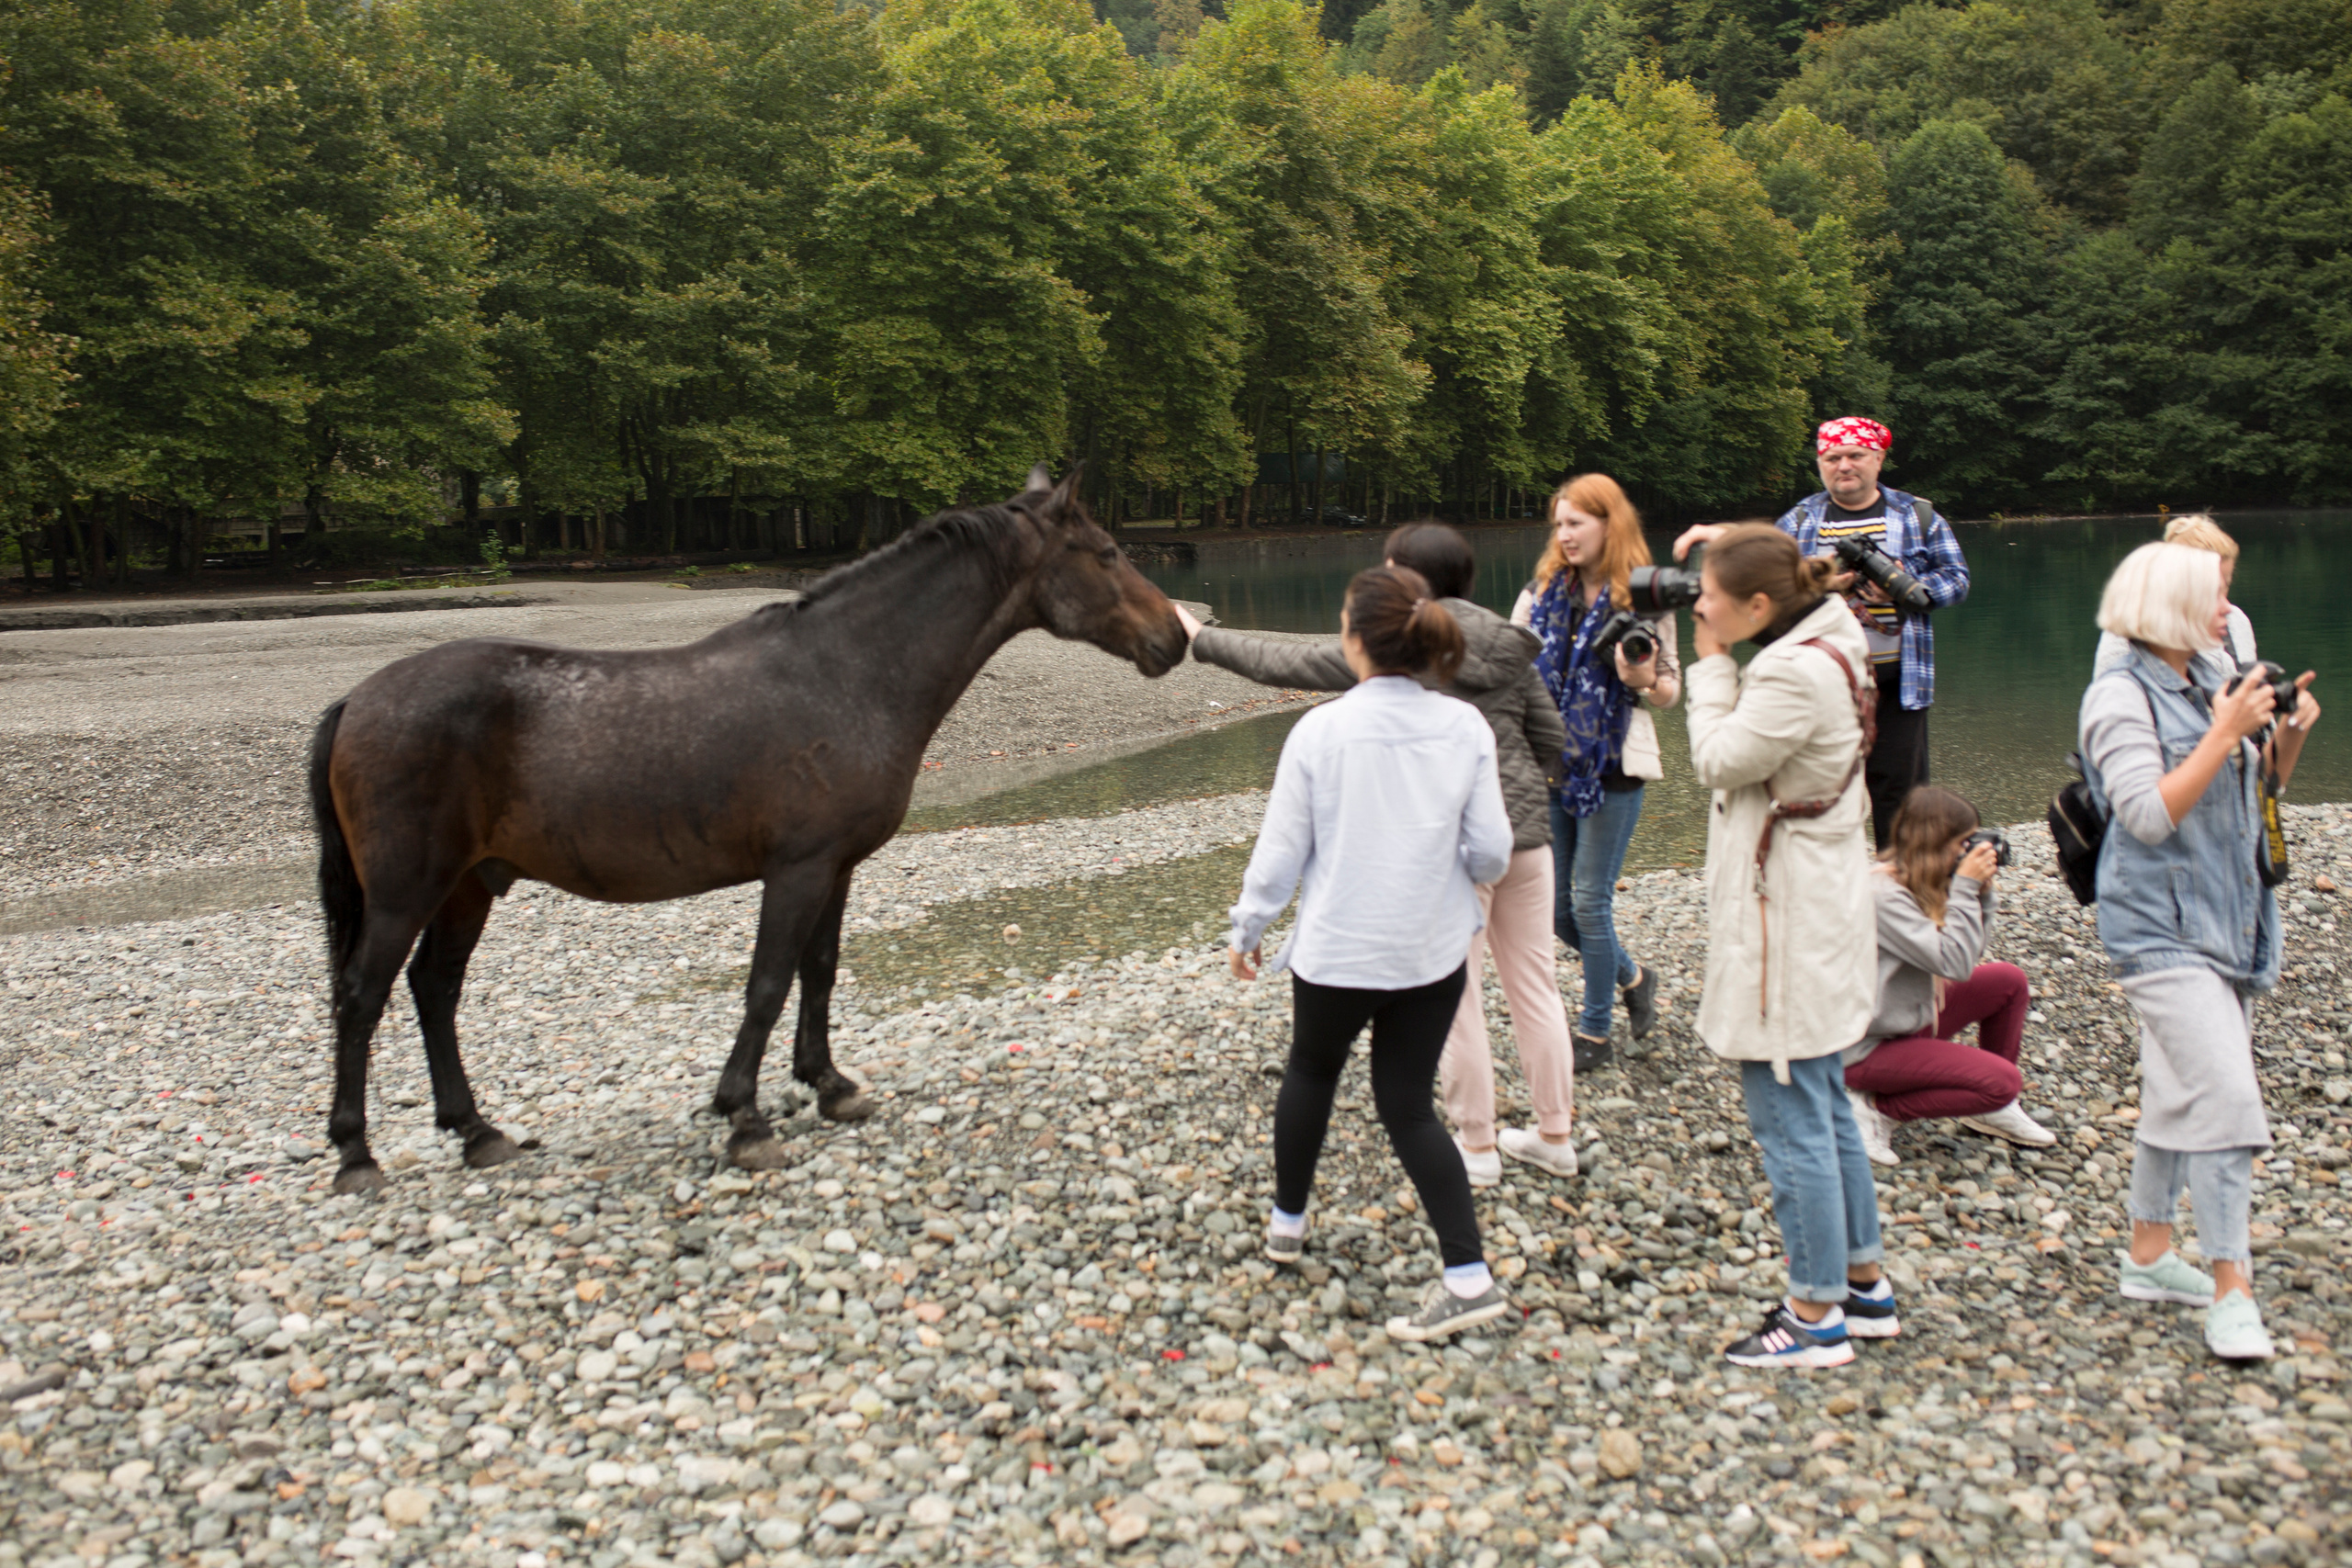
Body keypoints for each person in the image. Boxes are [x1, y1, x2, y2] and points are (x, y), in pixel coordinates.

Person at [1180, 524, 1581, 1186]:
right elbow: (1551, 739)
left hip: (1451, 848)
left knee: (1459, 997)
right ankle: (1555, 1135)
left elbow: (1285, 662)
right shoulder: (1507, 642)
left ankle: (1477, 1146)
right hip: (1528, 841)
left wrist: (1201, 638)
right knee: (1537, 987)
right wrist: (1527, 796)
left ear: (1405, 577)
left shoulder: (1398, 639)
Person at [1227, 564, 1518, 1344]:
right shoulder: (1464, 725)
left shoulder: (1320, 730)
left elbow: (1281, 853)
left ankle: (1287, 1224)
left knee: (1311, 1071)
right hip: (1431, 946)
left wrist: (1248, 928)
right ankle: (1467, 1274)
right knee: (1409, 1106)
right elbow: (1493, 849)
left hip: (1339, 949)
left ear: (1353, 640)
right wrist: (1454, 870)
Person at [2081, 540, 2319, 1360]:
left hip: (2233, 918)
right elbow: (2147, 816)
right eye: (2213, 596)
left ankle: (2148, 1253)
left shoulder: (2206, 676)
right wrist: (2224, 730)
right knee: (2224, 1098)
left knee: (2177, 1087)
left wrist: (2285, 734)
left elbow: (2261, 788)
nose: (2227, 609)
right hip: (2159, 928)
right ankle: (2232, 1289)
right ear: (2169, 606)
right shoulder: (2117, 697)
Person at [1679, 524, 1891, 1370]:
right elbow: (1766, 562)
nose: (1699, 606)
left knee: (1790, 1110)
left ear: (1760, 604)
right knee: (1826, 1098)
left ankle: (1813, 1314)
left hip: (1786, 919)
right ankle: (1863, 1285)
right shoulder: (1832, 633)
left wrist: (1709, 665)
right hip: (1817, 897)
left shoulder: (1790, 671)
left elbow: (1717, 759)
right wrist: (1729, 541)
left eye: (1711, 596)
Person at [1512, 473, 1682, 1075]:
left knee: (1589, 903)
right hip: (1552, 763)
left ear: (1610, 524)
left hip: (1614, 764)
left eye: (1576, 523)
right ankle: (1634, 977)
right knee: (1557, 910)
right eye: (1559, 524)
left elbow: (1670, 690)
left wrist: (1644, 680)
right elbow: (1511, 668)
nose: (1564, 535)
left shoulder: (1646, 596)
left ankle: (1595, 1029)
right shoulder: (1540, 594)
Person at [1771, 417, 1972, 850]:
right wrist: (1820, 584)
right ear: (1820, 464)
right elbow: (1765, 590)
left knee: (1901, 796)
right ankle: (1833, 881)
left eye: (1855, 455)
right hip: (1821, 686)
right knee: (1823, 793)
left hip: (1899, 684)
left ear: (1878, 459)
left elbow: (1957, 580)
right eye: (1832, 458)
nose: (1844, 466)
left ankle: (1900, 881)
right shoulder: (1799, 520)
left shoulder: (1917, 516)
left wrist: (1907, 587)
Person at [1842, 785, 2053, 1168]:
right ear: (1937, 843)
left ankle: (1993, 1109)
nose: (1970, 852)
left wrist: (1982, 896)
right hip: (1861, 1047)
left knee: (2007, 981)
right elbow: (1953, 962)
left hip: (1902, 1023)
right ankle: (1878, 1110)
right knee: (2002, 1082)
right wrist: (1966, 888)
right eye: (1964, 843)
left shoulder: (1917, 880)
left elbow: (1967, 956)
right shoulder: (1883, 894)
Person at [2094, 513, 2256, 672]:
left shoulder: (2235, 621)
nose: (2224, 606)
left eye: (2225, 586)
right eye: (2209, 589)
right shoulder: (2126, 634)